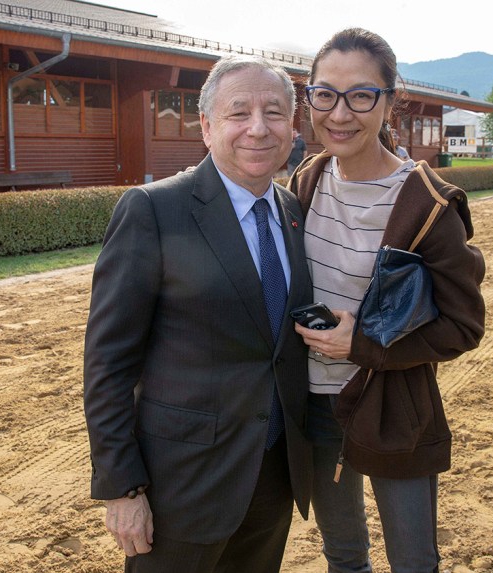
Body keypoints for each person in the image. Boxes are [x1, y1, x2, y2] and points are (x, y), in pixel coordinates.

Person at [83, 54, 314, 573]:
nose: (258, 127)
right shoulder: (153, 210)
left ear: (293, 126)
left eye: (274, 112)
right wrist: (122, 487)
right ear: (206, 127)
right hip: (181, 489)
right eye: (239, 113)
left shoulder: (293, 212)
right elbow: (108, 364)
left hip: (273, 477)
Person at [288, 28, 486, 573]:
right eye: (324, 94)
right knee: (344, 556)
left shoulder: (428, 205)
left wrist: (365, 343)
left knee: (413, 561)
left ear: (389, 102)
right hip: (313, 403)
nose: (340, 113)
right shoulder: (306, 180)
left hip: (393, 402)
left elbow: (463, 328)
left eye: (361, 95)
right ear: (309, 99)